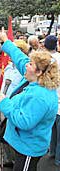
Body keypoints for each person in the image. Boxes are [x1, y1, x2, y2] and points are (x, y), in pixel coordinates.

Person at [0, 29, 60, 171]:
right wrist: (6, 41)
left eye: (31, 64)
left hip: (28, 148)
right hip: (23, 144)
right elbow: (20, 58)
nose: (26, 64)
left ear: (39, 72)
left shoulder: (40, 96)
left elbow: (24, 121)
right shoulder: (36, 79)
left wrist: (5, 103)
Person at [43, 35, 60, 167]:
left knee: (52, 130)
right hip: (58, 100)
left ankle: (52, 152)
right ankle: (57, 159)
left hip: (47, 100)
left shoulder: (43, 59)